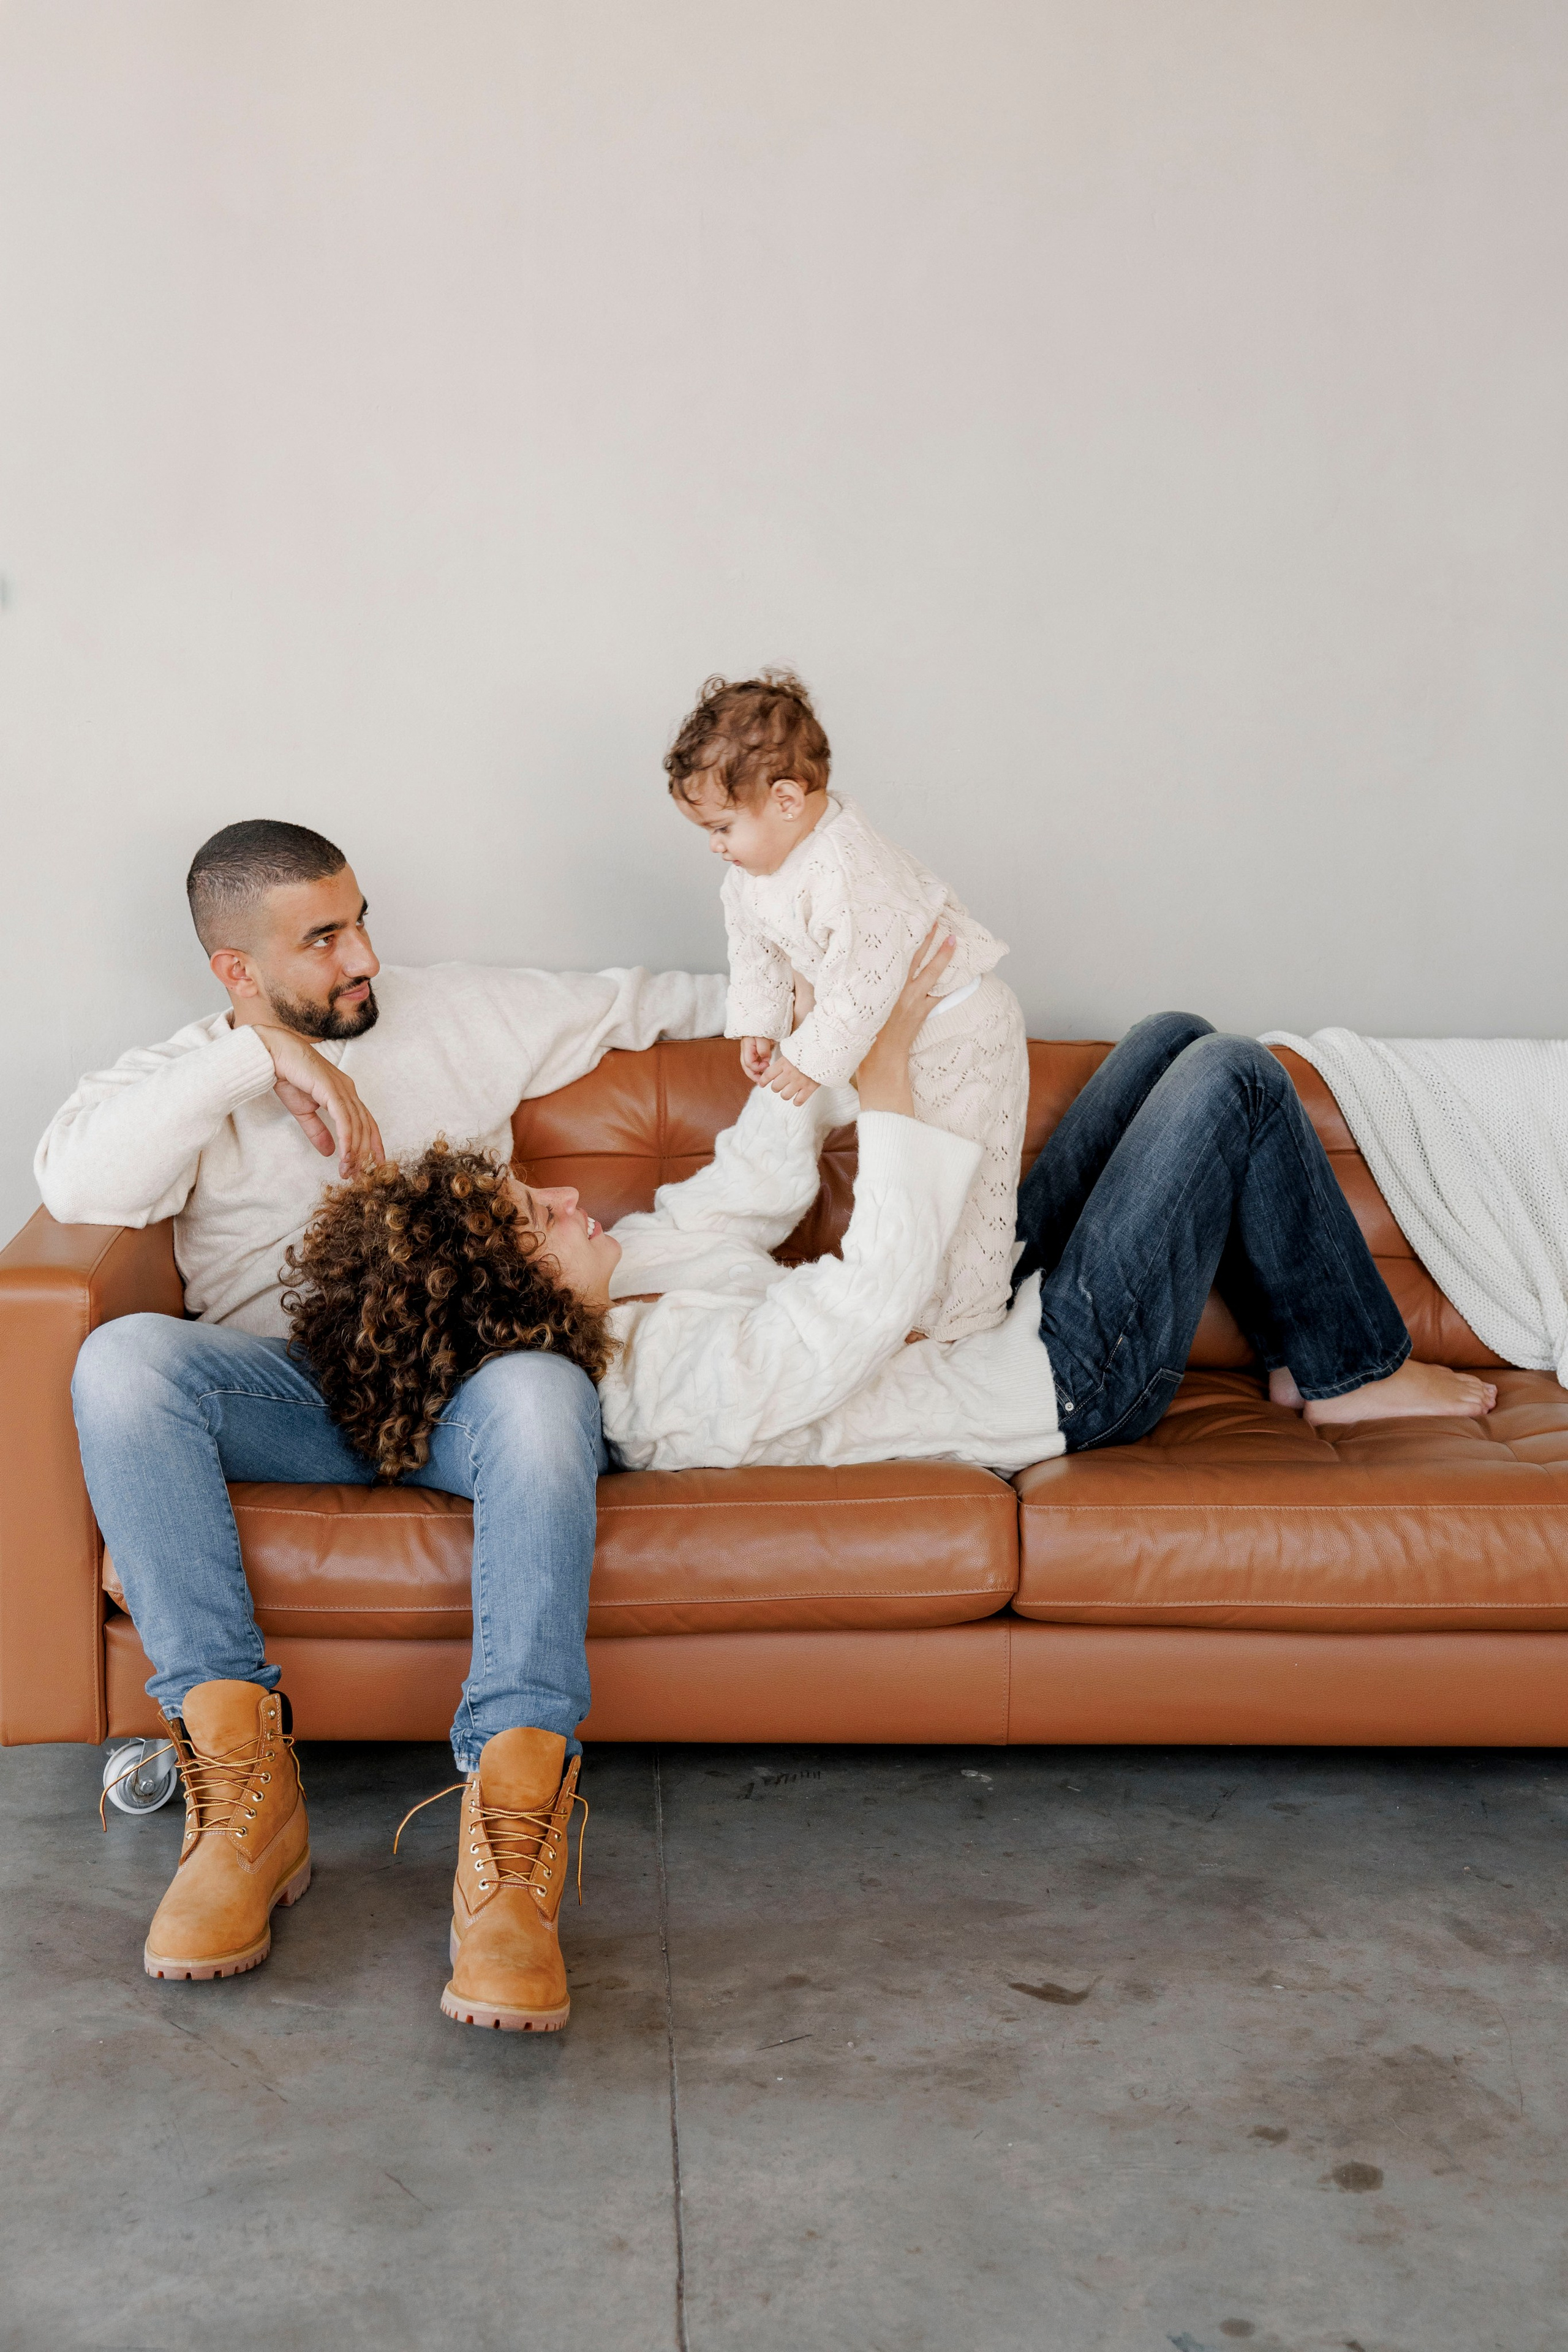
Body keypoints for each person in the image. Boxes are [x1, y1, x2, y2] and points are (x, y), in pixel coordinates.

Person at [41, 818, 726, 2032]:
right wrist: (262, 1060)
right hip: (292, 1398)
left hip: (468, 1399)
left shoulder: (457, 1013)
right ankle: (245, 1802)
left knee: (543, 1389)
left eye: (359, 922)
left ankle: (510, 1843)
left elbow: (652, 1000)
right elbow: (76, 1184)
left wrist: (840, 1002)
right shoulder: (193, 1074)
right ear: (237, 970)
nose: (363, 958)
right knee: (123, 1363)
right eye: (322, 940)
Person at [284, 930, 1496, 1507]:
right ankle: (1349, 1371)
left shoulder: (626, 1271)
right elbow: (871, 1297)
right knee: (1231, 1078)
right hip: (1061, 1378)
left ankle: (1299, 1352)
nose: (564, 1197)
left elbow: (749, 1189)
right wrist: (892, 1075)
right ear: (506, 1304)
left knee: (1168, 1039)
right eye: (534, 1221)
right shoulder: (664, 1394)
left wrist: (822, 1041)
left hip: (980, 1309)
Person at [665, 670, 1029, 1343]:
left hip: (957, 1030)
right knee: (906, 1169)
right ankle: (912, 1302)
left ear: (785, 800)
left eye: (722, 827)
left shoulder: (850, 867)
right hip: (885, 1037)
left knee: (963, 1173)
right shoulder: (749, 876)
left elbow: (870, 977)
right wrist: (760, 1025)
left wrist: (809, 1059)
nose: (715, 845)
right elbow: (754, 950)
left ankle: (967, 1316)